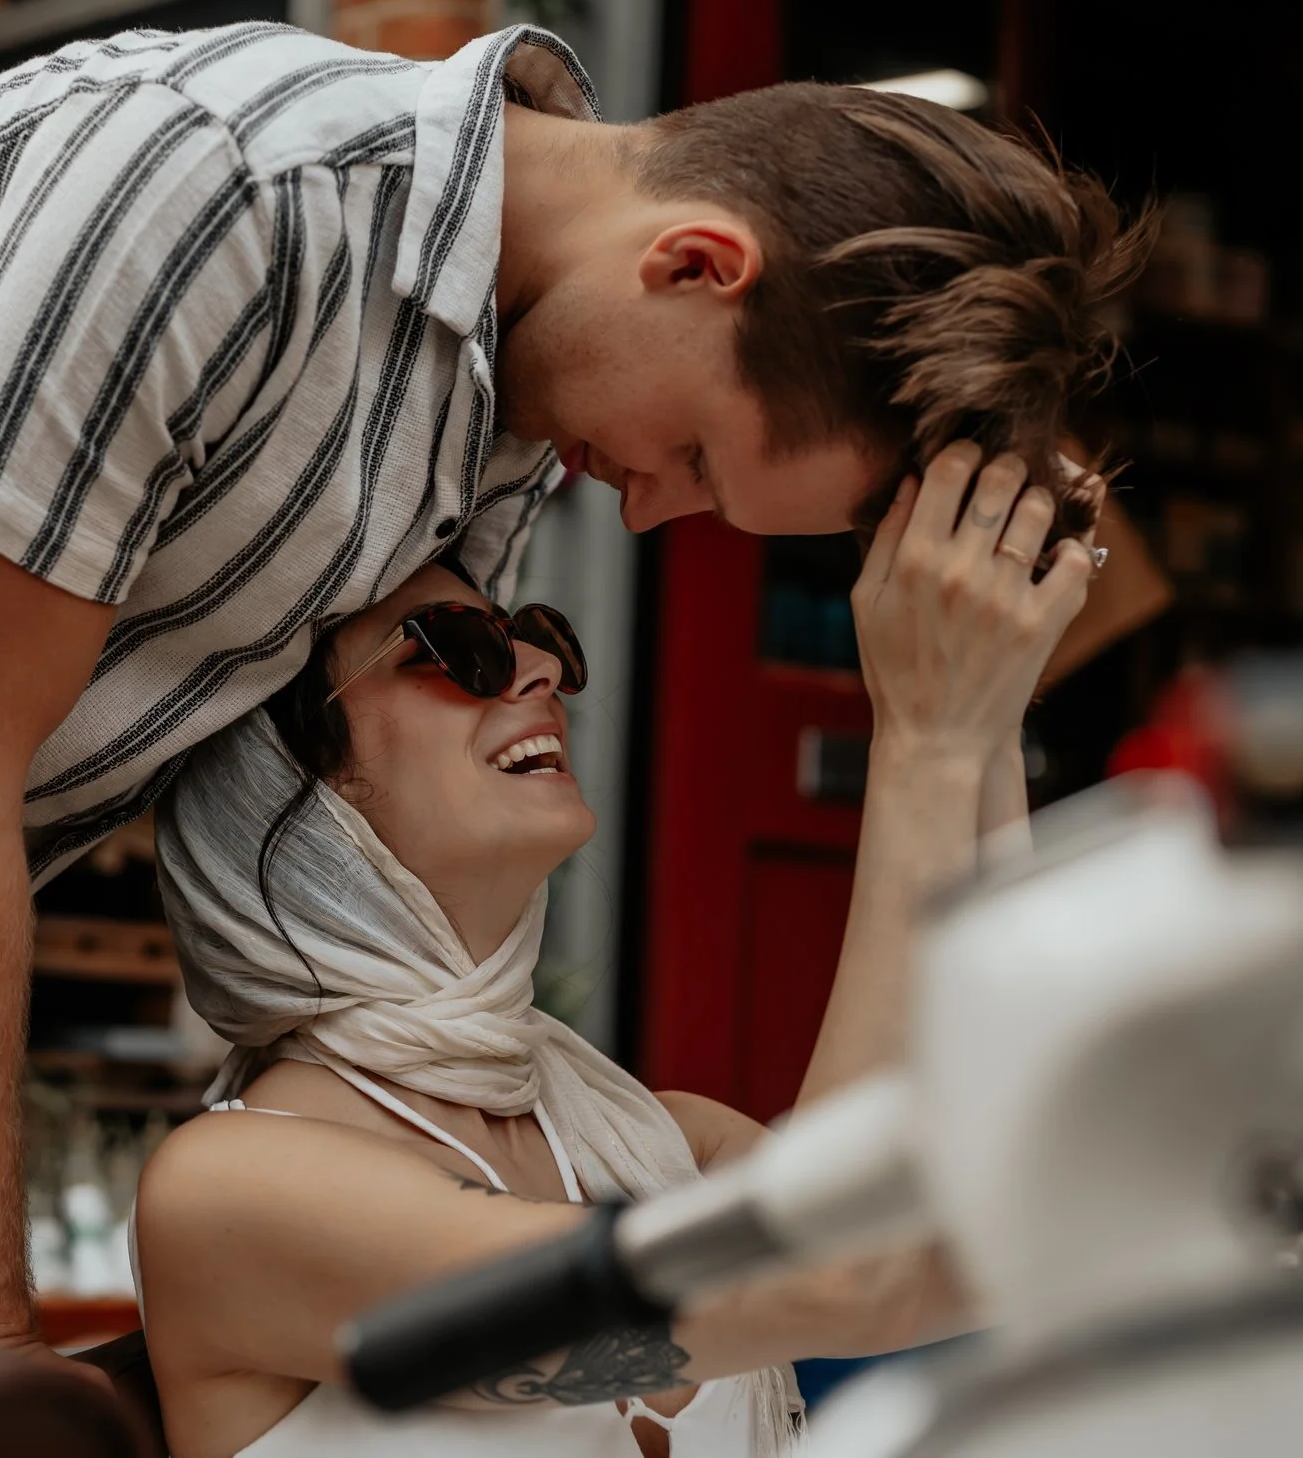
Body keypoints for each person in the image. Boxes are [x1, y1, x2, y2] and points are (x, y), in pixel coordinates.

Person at [0, 16, 1146, 1371]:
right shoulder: (223, 184)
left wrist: (965, 701)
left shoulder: (514, 384)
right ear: (693, 260)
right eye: (689, 451)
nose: (653, 507)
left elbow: (897, 1240)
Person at [139, 462, 1091, 1458]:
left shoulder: (661, 1141)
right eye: (457, 651)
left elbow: (984, 1236)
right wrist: (929, 735)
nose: (538, 672)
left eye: (529, 636)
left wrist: (986, 699)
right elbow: (850, 1268)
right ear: (283, 797)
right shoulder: (228, 1191)